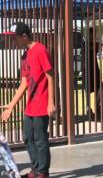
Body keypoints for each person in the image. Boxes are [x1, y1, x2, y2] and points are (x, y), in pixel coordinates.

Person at [0, 22, 55, 178]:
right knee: (27, 137)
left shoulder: (40, 50)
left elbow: (50, 76)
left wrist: (51, 102)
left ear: (24, 36)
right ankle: (36, 169)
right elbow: (24, 82)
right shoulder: (24, 56)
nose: (12, 42)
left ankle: (42, 173)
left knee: (40, 139)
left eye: (14, 38)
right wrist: (11, 105)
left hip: (42, 103)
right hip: (30, 105)